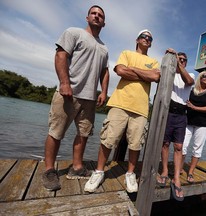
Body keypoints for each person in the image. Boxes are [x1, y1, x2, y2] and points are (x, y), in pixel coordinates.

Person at [42, 5, 109, 191]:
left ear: (104, 23)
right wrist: (64, 83)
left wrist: (103, 92)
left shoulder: (104, 48)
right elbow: (61, 55)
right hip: (68, 94)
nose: (97, 16)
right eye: (94, 13)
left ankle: (77, 167)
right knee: (56, 132)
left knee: (84, 134)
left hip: (89, 99)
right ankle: (49, 170)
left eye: (100, 15)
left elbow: (105, 72)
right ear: (87, 17)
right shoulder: (74, 33)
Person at [84, 29, 161, 193]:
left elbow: (155, 77)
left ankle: (130, 174)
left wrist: (133, 70)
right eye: (144, 36)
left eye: (150, 38)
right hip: (119, 103)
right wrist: (144, 75)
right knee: (108, 139)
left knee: (135, 143)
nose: (147, 39)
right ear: (137, 39)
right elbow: (120, 70)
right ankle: (99, 172)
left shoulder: (153, 61)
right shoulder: (126, 53)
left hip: (141, 108)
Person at [157, 49, 194, 201]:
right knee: (165, 143)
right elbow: (162, 73)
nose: (181, 61)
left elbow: (189, 82)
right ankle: (165, 171)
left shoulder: (190, 75)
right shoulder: (170, 74)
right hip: (168, 111)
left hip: (181, 114)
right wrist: (170, 56)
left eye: (184, 59)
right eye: (179, 59)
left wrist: (179, 64)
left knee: (178, 146)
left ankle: (176, 178)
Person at [182, 70, 206, 183]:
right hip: (188, 122)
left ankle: (190, 172)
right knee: (182, 145)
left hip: (202, 125)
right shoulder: (192, 90)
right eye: (204, 76)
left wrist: (194, 107)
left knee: (197, 149)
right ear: (200, 78)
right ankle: (180, 168)